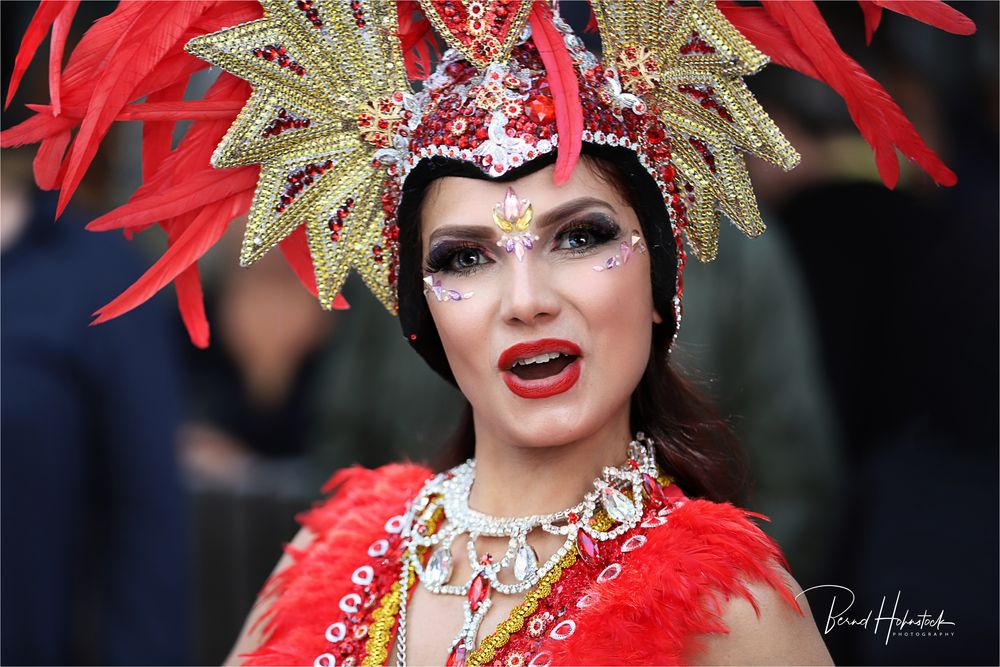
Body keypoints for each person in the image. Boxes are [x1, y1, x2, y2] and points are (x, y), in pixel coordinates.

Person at [2, 1, 973, 665]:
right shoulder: (329, 556)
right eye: (464, 257)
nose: (525, 297)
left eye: (580, 237)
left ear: (661, 279)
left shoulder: (735, 608)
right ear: (421, 315)